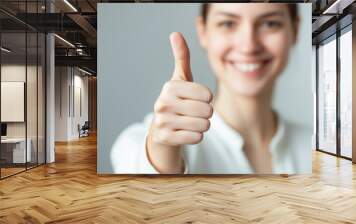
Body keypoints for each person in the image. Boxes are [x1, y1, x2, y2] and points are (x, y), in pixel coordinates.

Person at [111, 3, 312, 174]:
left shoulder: (314, 145)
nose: (248, 45)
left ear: (295, 30)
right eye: (228, 23)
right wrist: (160, 149)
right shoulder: (137, 141)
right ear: (203, 31)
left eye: (270, 23)